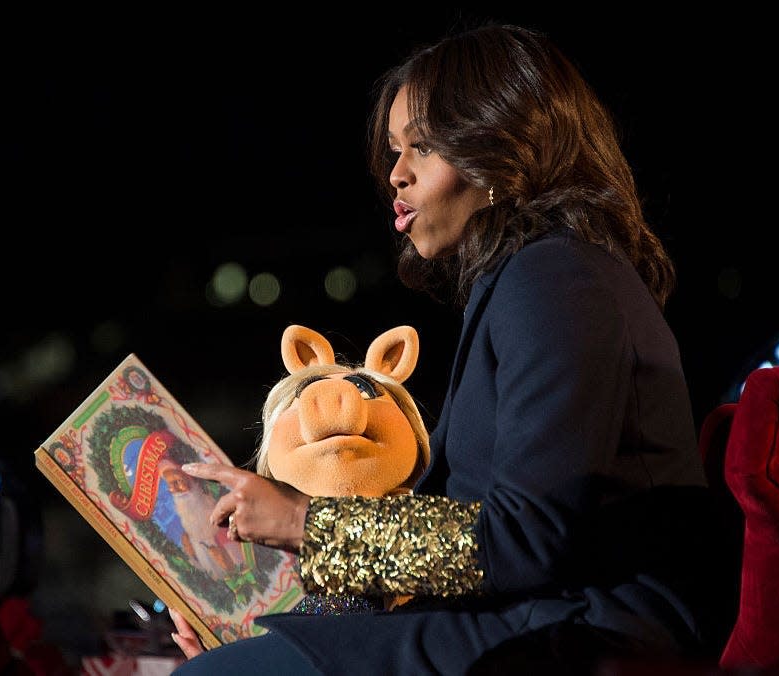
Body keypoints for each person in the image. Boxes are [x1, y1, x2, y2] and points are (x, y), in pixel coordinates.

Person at [170, 22, 735, 675]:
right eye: (392, 150)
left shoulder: (554, 277)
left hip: (579, 630)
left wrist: (306, 523)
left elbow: (525, 539)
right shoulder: (540, 274)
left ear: (502, 149)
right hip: (536, 616)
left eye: (422, 147)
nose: (396, 175)